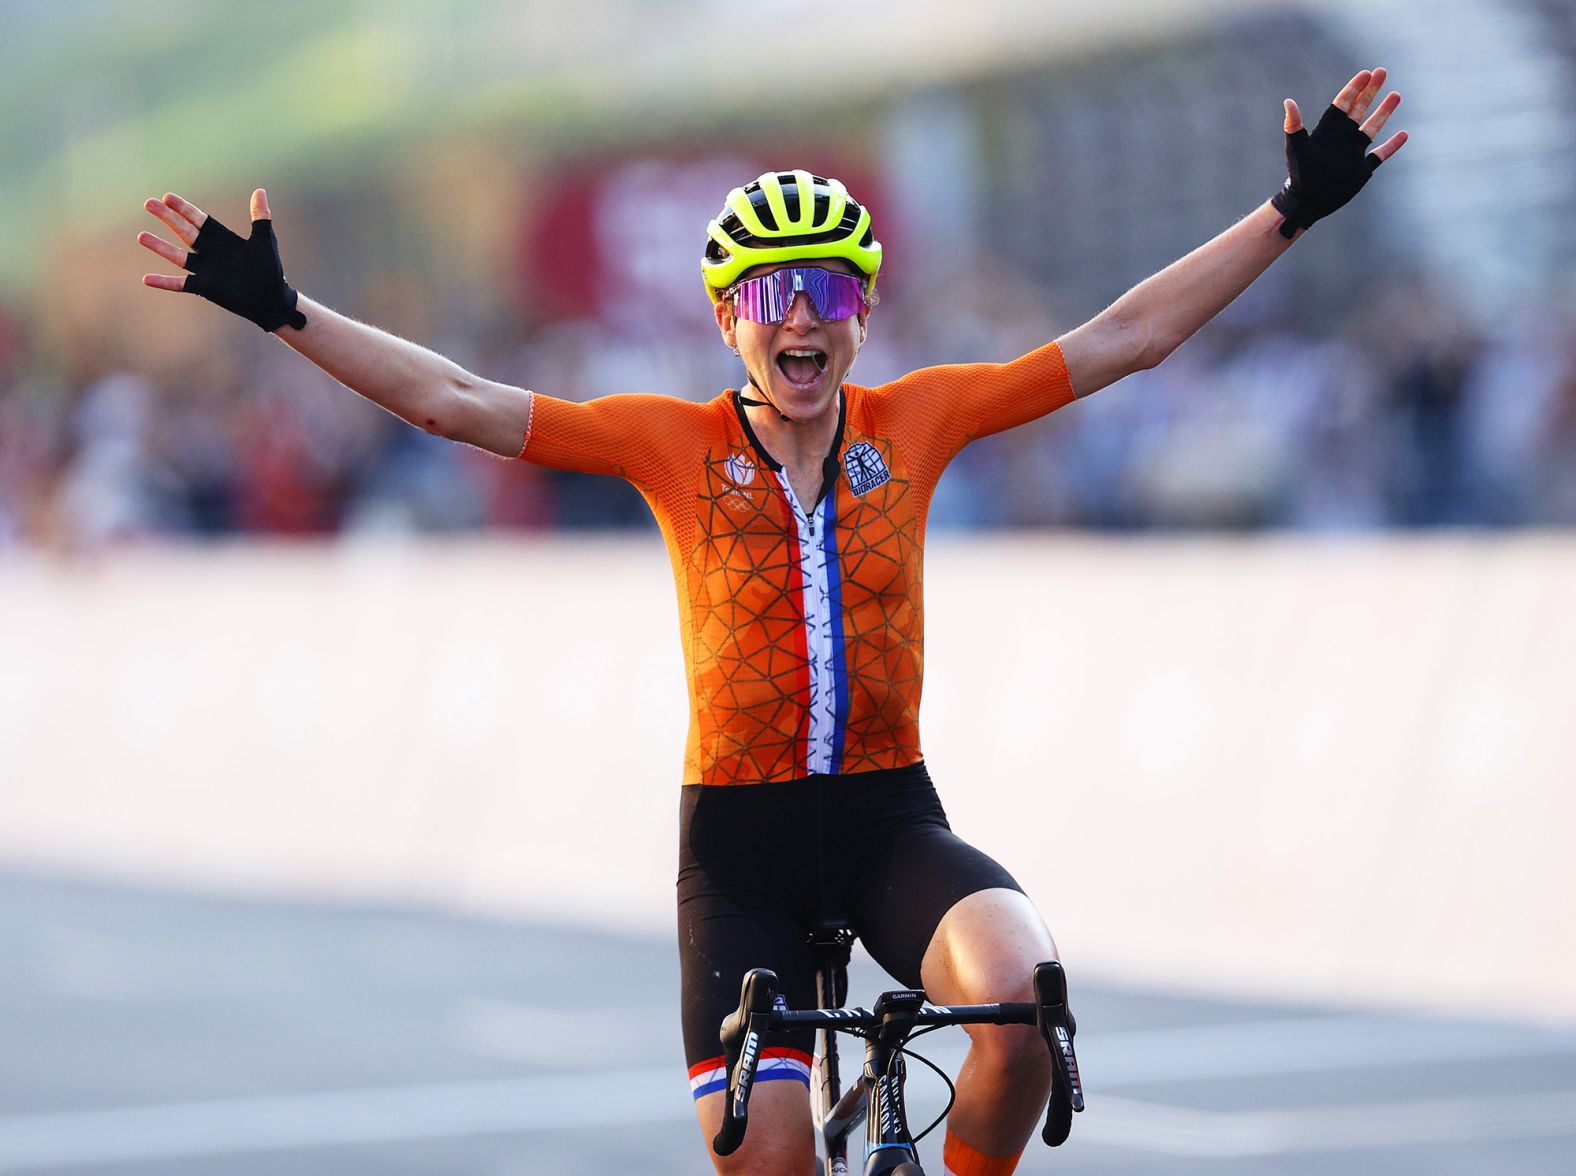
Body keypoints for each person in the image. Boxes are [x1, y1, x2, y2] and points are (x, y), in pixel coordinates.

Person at [139, 68, 1406, 1176]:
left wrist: (1287, 213)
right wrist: (284, 314)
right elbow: (458, 400)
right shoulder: (668, 443)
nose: (801, 315)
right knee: (775, 1157)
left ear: (860, 309)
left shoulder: (919, 416)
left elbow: (1125, 336)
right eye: (771, 290)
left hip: (886, 819)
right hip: (737, 853)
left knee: (1025, 1005)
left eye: (830, 288)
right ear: (728, 318)